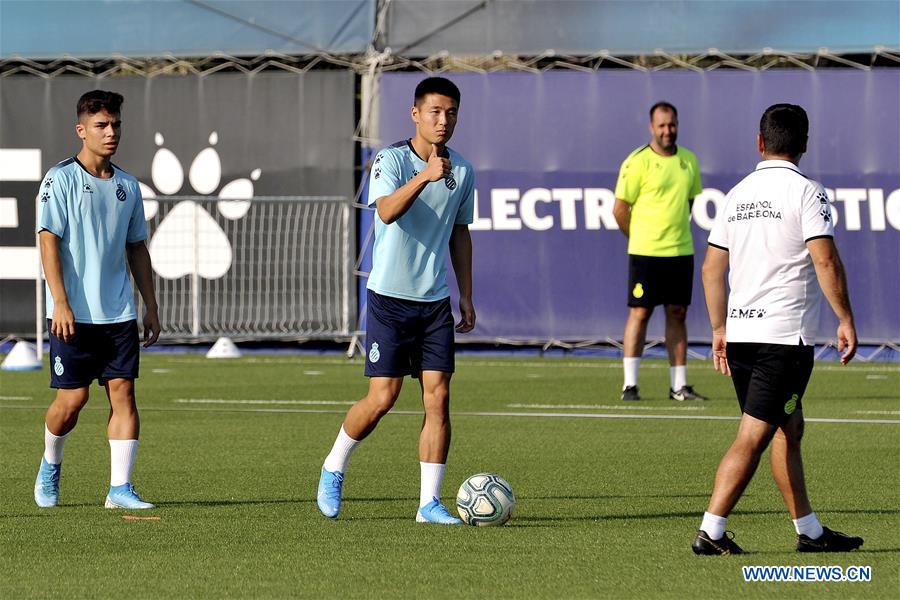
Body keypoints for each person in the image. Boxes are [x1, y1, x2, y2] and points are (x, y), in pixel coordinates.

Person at [692, 103, 863, 555]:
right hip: (783, 340)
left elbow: (711, 269)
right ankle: (710, 531)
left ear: (759, 142)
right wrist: (845, 318)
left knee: (790, 427)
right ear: (805, 145)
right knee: (754, 435)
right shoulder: (808, 192)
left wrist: (717, 327)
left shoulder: (737, 193)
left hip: (744, 334)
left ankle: (809, 531)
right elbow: (824, 258)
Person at [316, 77, 475, 524]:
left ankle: (429, 503)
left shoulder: (462, 170)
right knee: (382, 398)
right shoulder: (390, 160)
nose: (443, 121)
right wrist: (425, 176)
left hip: (435, 302)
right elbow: (385, 211)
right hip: (389, 299)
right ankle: (333, 466)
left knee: (438, 399)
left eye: (452, 113)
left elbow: (460, 234)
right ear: (415, 114)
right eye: (435, 112)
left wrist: (467, 294)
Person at [34, 90, 161, 510]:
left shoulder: (128, 185)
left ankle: (119, 489)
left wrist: (151, 305)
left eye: (116, 125)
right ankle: (50, 462)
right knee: (72, 402)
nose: (111, 133)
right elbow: (48, 241)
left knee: (123, 394)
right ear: (81, 130)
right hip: (72, 315)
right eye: (102, 126)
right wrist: (61, 301)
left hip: (119, 314)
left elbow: (137, 248)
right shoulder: (60, 178)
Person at [613, 102, 708, 402]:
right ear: (651, 127)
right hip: (646, 253)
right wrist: (639, 237)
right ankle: (630, 385)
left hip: (680, 251)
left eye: (672, 125)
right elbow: (619, 210)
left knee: (678, 314)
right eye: (662, 125)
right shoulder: (636, 162)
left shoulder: (689, 160)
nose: (668, 131)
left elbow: (689, 204)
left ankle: (679, 386)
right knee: (640, 313)